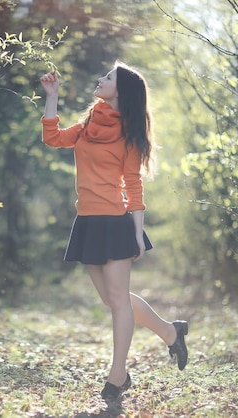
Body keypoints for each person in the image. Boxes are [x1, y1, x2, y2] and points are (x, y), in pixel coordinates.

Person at [39, 62, 189, 402]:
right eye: (103, 74)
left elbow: (133, 185)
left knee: (119, 302)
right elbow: (52, 138)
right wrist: (52, 97)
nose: (100, 78)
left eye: (107, 77)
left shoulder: (130, 134)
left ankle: (117, 375)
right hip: (88, 220)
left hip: (117, 222)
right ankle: (171, 331)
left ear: (120, 91)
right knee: (112, 300)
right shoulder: (90, 122)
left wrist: (138, 233)